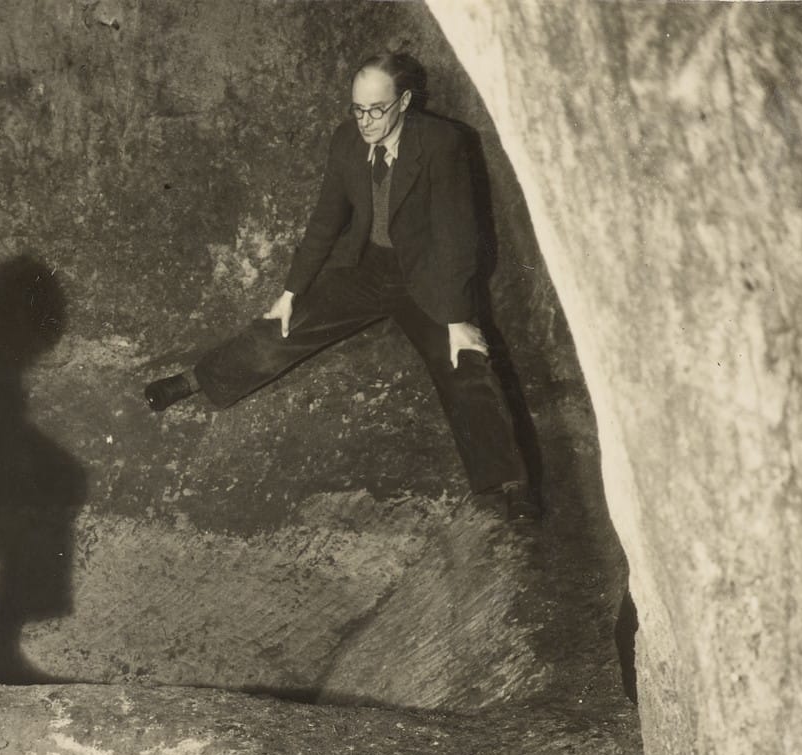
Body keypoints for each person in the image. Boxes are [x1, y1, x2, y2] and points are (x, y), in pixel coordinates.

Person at [143, 52, 539, 522]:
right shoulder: (347, 141)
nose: (365, 121)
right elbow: (325, 222)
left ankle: (510, 486)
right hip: (366, 268)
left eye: (377, 109)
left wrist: (457, 319)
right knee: (283, 328)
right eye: (357, 108)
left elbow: (458, 239)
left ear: (404, 102)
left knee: (465, 363)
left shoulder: (442, 143)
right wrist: (290, 294)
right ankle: (195, 381)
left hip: (428, 278)